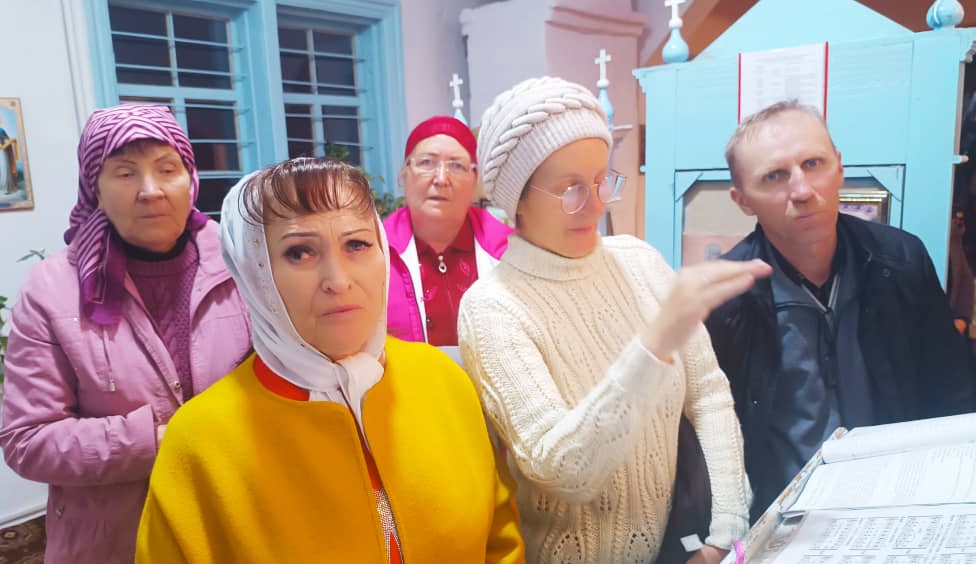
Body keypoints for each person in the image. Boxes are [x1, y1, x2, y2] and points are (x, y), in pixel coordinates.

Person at [135, 157, 524, 563]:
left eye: (357, 244)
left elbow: (500, 542)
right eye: (300, 252)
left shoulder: (444, 382)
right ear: (256, 274)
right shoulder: (199, 445)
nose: (338, 281)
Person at [458, 76, 771, 564]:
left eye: (603, 179)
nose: (597, 203)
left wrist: (725, 535)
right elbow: (564, 470)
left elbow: (707, 393)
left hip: (679, 545)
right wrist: (654, 344)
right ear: (517, 198)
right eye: (570, 189)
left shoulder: (639, 262)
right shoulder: (492, 307)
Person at [0, 104, 252, 564]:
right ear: (94, 187)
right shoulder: (52, 290)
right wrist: (163, 439)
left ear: (191, 178)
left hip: (234, 522)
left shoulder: (243, 264)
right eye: (126, 173)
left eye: (167, 169)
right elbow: (28, 441)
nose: (150, 190)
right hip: (116, 541)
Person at [705, 100, 976, 521]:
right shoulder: (724, 298)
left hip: (899, 500)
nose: (801, 190)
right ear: (742, 200)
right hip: (783, 518)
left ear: (840, 168)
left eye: (813, 164)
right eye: (775, 176)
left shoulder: (901, 261)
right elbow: (712, 440)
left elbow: (952, 392)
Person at [385, 116, 512, 346]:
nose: (441, 179)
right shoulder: (376, 252)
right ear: (403, 174)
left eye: (456, 166)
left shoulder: (511, 251)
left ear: (474, 180)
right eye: (426, 163)